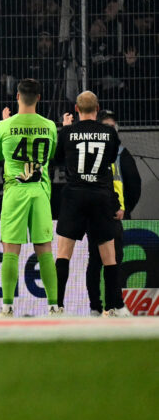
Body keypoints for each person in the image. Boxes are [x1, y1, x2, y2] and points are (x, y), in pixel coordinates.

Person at [53, 91, 125, 316]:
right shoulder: (109, 133)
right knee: (109, 256)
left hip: (74, 196)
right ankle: (112, 307)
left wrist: (65, 128)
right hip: (100, 196)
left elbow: (56, 159)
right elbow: (111, 159)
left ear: (76, 109)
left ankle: (58, 306)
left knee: (64, 253)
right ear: (98, 108)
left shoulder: (68, 132)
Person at [0, 77, 59, 316]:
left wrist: (5, 123)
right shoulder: (50, 126)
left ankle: (7, 307)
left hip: (15, 192)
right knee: (45, 249)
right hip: (40, 192)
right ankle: (54, 305)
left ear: (17, 96)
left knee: (10, 250)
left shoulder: (3, 126)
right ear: (39, 98)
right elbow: (50, 154)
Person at [89, 108, 137, 314]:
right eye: (106, 127)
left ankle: (111, 305)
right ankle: (98, 307)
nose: (110, 130)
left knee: (112, 261)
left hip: (114, 215)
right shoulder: (110, 151)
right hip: (97, 213)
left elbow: (134, 184)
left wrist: (125, 209)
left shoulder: (119, 152)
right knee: (97, 261)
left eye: (112, 127)